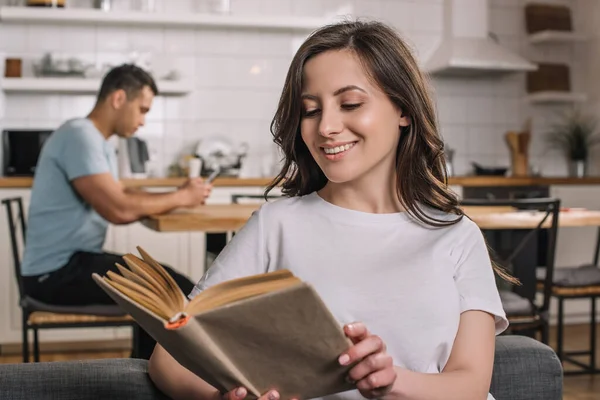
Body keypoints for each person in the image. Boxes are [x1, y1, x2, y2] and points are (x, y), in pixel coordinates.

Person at [148, 20, 514, 400]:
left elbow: (471, 384)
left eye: (350, 104)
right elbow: (169, 358)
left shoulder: (456, 235)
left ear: (403, 109)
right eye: (310, 110)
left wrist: (389, 380)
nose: (326, 126)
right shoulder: (276, 226)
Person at [21, 64, 212, 360]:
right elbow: (118, 209)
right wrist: (182, 196)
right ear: (119, 98)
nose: (143, 121)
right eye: (143, 110)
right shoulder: (79, 136)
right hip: (55, 275)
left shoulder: (97, 141)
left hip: (71, 264)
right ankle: (154, 380)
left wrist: (179, 194)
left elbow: (122, 194)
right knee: (169, 290)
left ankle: (148, 375)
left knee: (167, 284)